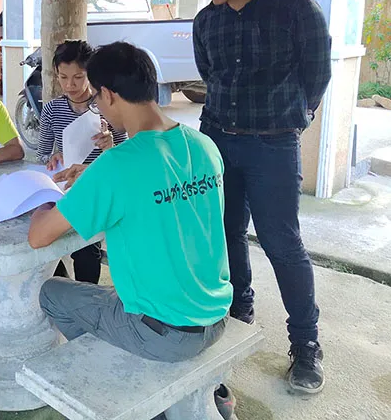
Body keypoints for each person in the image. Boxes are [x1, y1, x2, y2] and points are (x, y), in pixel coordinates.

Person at [27, 42, 235, 417]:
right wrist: (94, 173)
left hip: (161, 332)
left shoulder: (117, 166)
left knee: (52, 292)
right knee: (106, 294)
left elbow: (38, 236)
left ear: (107, 94)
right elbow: (155, 189)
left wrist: (43, 196)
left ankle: (121, 379)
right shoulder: (203, 145)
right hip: (215, 314)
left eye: (95, 96)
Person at [190, 0, 331, 394]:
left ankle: (306, 344)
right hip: (218, 141)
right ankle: (238, 311)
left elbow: (317, 74)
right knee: (225, 231)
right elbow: (210, 75)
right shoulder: (206, 21)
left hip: (273, 144)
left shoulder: (296, 9)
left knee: (282, 242)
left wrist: (295, 117)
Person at [38, 40, 126, 284]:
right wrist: (53, 157)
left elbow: (125, 157)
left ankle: (87, 292)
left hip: (96, 188)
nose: (70, 85)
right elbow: (42, 155)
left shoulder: (106, 106)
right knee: (47, 242)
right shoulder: (52, 110)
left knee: (86, 249)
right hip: (63, 187)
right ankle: (59, 284)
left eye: (78, 77)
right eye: (63, 77)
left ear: (90, 74)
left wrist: (110, 145)